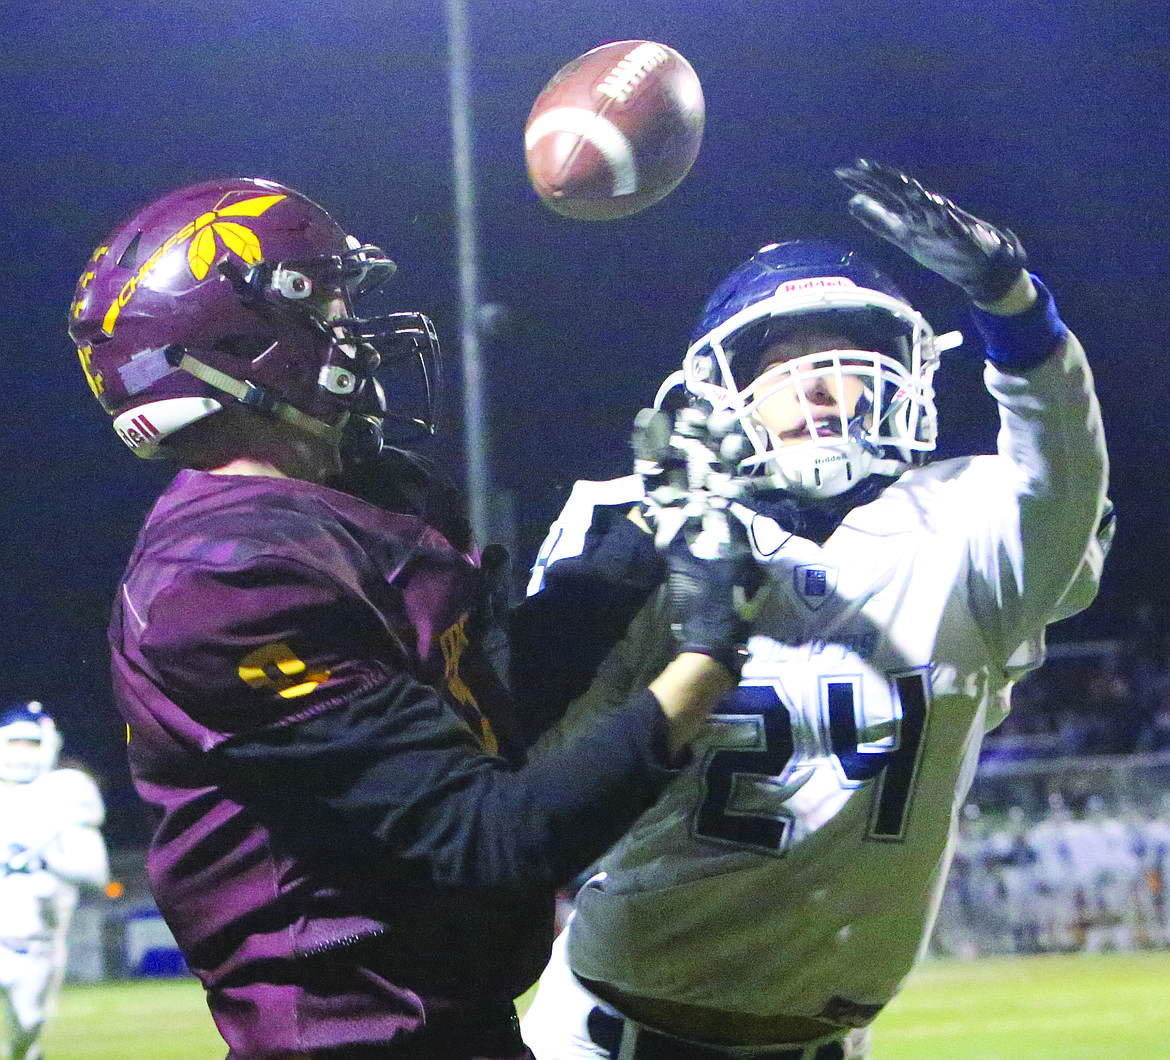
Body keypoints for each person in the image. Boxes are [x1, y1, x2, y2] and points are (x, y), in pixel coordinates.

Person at [66, 177, 753, 1060]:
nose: (352, 325)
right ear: (241, 344)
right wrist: (707, 653)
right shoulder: (222, 583)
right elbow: (492, 837)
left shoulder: (366, 501)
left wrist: (649, 536)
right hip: (349, 1040)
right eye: (325, 299)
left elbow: (490, 705)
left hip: (458, 1020)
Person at [520, 160, 1110, 1060]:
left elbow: (1060, 476)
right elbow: (536, 746)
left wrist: (1016, 307)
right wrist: (646, 549)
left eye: (846, 358)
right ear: (721, 390)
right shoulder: (633, 518)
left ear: (902, 376)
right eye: (782, 362)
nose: (819, 387)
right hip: (606, 1037)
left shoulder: (960, 527)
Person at [0, 700, 109, 1060]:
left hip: (31, 946)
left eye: (31, 743)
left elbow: (96, 873)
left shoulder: (64, 792)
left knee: (24, 1040)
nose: (21, 752)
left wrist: (45, 860)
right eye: (14, 742)